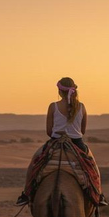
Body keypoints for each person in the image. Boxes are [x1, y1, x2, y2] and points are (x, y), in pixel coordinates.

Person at [15, 77, 92, 206]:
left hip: (55, 142)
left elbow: (49, 131)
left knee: (34, 164)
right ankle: (99, 194)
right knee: (92, 166)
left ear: (59, 91)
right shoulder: (82, 107)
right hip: (77, 143)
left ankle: (26, 194)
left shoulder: (53, 106)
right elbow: (82, 131)